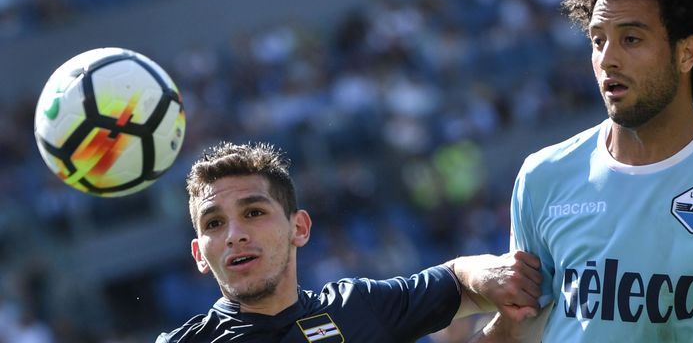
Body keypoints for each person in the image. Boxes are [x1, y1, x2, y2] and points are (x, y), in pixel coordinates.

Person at [471, 0, 693, 342]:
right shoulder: (543, 177)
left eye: (631, 39)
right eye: (597, 40)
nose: (607, 59)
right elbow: (522, 325)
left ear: (686, 53)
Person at [156, 141, 543, 342]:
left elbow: (458, 280)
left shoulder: (358, 309)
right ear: (199, 255)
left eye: (254, 212)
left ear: (300, 229)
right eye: (213, 223)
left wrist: (490, 275)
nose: (234, 234)